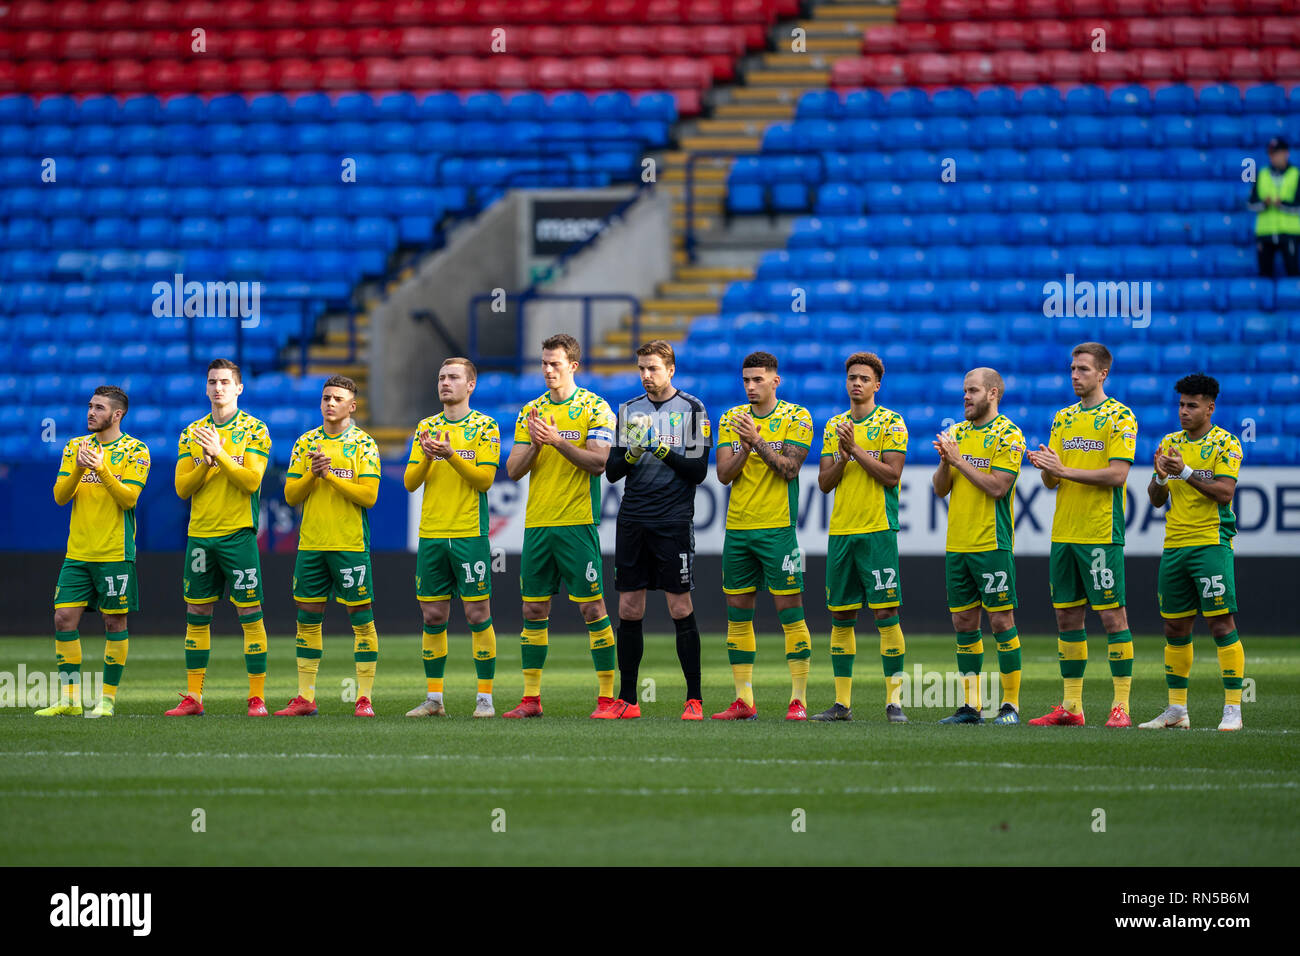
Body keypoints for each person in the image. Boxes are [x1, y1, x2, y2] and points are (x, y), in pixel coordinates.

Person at [503, 334, 618, 718]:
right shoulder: (530, 411)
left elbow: (599, 462)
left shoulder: (595, 408)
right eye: (544, 363)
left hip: (577, 522)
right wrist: (537, 444)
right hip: (537, 525)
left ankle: (606, 698)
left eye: (555, 363)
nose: (548, 370)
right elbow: (514, 471)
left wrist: (556, 441)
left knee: (592, 608)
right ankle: (531, 699)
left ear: (573, 366)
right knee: (533, 609)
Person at [1026, 343, 1138, 728]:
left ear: (1102, 373)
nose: (1075, 374)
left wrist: (1065, 469)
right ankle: (1072, 706)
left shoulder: (1119, 417)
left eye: (1083, 369)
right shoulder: (1063, 417)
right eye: (1073, 368)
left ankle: (1120, 706)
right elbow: (1051, 480)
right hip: (1065, 533)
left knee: (1111, 616)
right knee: (1067, 617)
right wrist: (1046, 466)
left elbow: (1117, 475)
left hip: (1099, 533)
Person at [604, 340, 711, 719]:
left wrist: (660, 449)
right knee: (629, 608)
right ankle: (628, 700)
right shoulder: (628, 410)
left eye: (653, 368)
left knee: (679, 605)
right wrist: (631, 452)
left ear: (671, 370)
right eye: (641, 369)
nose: (646, 376)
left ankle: (694, 699)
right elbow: (612, 471)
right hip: (633, 519)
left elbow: (698, 472)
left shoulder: (693, 410)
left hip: (672, 520)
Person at [166, 359, 273, 717]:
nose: (218, 388)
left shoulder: (255, 430)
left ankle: (256, 697)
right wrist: (204, 463)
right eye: (212, 382)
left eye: (226, 382)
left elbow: (251, 481)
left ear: (239, 388)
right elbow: (182, 488)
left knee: (250, 613)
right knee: (197, 612)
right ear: (206, 387)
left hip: (238, 533)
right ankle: (194, 698)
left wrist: (221, 455)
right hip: (200, 535)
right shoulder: (192, 432)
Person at [1140, 374, 1245, 732]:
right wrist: (1161, 477)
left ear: (1210, 408)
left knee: (1220, 623)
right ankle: (1176, 710)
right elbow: (1156, 501)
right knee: (1174, 626)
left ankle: (1233, 708)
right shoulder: (1169, 443)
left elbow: (1224, 493)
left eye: (1192, 405)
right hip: (1175, 546)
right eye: (1181, 405)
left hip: (1211, 544)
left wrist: (1183, 471)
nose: (1183, 411)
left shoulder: (1225, 444)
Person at [713, 351, 815, 721]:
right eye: (746, 380)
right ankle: (744, 700)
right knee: (738, 615)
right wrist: (743, 448)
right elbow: (724, 474)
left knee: (790, 611)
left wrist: (756, 441)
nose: (751, 386)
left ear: (776, 381)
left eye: (758, 380)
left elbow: (789, 469)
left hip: (777, 528)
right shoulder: (730, 418)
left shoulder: (797, 416)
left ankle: (798, 699)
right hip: (738, 529)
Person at [37, 386, 150, 719]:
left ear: (117, 415)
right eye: (89, 406)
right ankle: (71, 699)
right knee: (63, 617)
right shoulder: (75, 447)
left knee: (114, 622)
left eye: (98, 408)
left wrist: (100, 469)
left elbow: (129, 499)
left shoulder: (136, 451)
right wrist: (79, 468)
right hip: (78, 552)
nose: (90, 412)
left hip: (114, 551)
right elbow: (60, 496)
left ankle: (107, 699)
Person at [276, 375, 383, 717]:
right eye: (326, 398)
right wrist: (312, 473)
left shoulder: (363, 445)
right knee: (308, 617)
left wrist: (331, 475)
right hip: (311, 544)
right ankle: (305, 697)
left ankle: (364, 697)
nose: (330, 403)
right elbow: (291, 496)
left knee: (360, 617)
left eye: (338, 398)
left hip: (349, 544)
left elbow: (369, 496)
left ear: (352, 406)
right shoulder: (305, 443)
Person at [813, 351, 909, 723]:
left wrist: (855, 450)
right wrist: (841, 456)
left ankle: (894, 701)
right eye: (852, 377)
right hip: (842, 531)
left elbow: (891, 475)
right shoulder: (835, 424)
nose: (856, 383)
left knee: (886, 612)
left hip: (877, 531)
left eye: (864, 379)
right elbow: (824, 483)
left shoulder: (892, 423)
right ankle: (841, 704)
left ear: (876, 385)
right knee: (841, 615)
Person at [403, 358, 501, 718]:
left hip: (468, 533)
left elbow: (484, 480)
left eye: (454, 377)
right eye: (442, 377)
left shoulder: (485, 427)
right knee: (432, 615)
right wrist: (429, 458)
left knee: (477, 613)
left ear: (470, 385)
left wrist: (452, 455)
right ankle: (434, 699)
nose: (445, 383)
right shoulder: (425, 427)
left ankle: (485, 700)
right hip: (431, 533)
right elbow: (411, 482)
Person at [931, 368, 1025, 726]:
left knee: (1001, 621)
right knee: (964, 622)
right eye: (964, 391)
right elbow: (941, 489)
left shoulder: (1009, 434)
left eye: (972, 390)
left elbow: (998, 486)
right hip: (958, 543)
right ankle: (971, 707)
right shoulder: (956, 433)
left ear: (994, 393)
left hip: (991, 543)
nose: (966, 397)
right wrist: (945, 461)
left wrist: (959, 461)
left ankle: (1010, 706)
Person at [1249, 137, 1299, 277]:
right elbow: (1251, 204)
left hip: (1289, 232)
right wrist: (1265, 204)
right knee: (1265, 275)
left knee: (1293, 274)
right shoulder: (1262, 174)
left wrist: (1281, 204)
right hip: (1265, 232)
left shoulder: (1296, 174)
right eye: (1271, 154)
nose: (1274, 157)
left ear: (1286, 153)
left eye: (1277, 153)